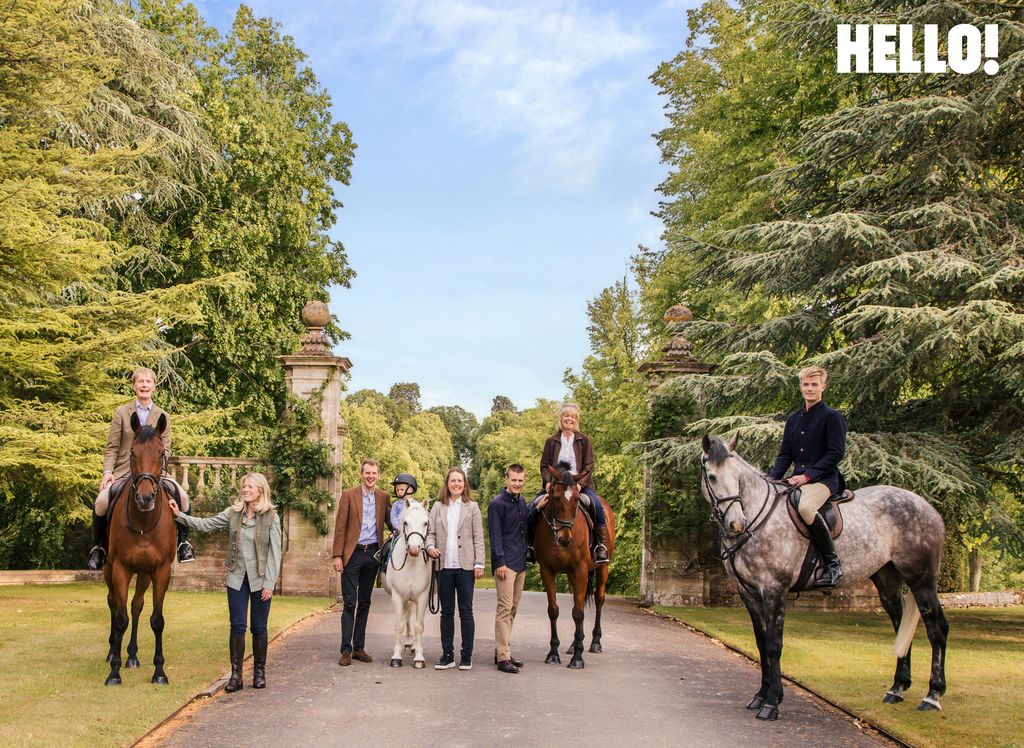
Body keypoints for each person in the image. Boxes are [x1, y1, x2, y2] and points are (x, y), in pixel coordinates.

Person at [169, 472, 281, 691]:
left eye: (250, 486)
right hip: (237, 578)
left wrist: (270, 583)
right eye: (244, 486)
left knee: (259, 627)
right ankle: (236, 676)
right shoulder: (233, 513)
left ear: (261, 490)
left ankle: (259, 673)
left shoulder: (271, 517)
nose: (246, 489)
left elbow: (274, 554)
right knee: (237, 625)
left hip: (260, 580)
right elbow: (205, 524)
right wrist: (179, 515)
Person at [87, 367, 195, 570]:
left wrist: (156, 467)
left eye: (148, 381)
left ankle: (183, 543)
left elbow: (167, 448)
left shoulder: (163, 415)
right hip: (124, 470)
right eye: (140, 381)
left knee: (184, 497)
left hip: (154, 472)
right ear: (134, 386)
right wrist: (108, 472)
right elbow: (112, 446)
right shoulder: (121, 412)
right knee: (101, 502)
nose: (144, 385)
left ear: (154, 386)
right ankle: (98, 548)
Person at [768, 365, 848, 588]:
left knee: (805, 508)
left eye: (814, 384)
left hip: (823, 480)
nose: (810, 388)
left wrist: (807, 477)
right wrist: (771, 481)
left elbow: (835, 453)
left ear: (823, 386)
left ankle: (833, 565)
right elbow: (785, 455)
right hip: (796, 480)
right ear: (800, 387)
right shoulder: (793, 420)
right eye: (806, 384)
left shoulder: (832, 417)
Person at [532, 402, 608, 564]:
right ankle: (529, 547)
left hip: (578, 484)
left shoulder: (584, 440)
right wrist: (547, 482)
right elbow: (545, 465)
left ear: (577, 420)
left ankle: (600, 546)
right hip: (556, 484)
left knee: (597, 506)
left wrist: (580, 483)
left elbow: (589, 466)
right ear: (561, 419)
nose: (569, 419)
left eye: (573, 417)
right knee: (532, 506)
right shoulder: (551, 441)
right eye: (566, 416)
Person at [332, 459, 391, 666]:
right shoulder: (349, 495)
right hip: (352, 555)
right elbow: (340, 527)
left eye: (374, 473)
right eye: (367, 473)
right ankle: (346, 650)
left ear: (378, 475)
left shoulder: (384, 497)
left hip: (373, 554)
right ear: (361, 474)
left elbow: (392, 522)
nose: (371, 476)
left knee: (365, 602)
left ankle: (359, 648)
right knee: (350, 602)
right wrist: (337, 555)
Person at [426, 467, 484, 671]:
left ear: (464, 484)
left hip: (466, 566)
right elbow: (430, 533)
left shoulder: (472, 507)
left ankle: (466, 655)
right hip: (444, 566)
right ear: (447, 483)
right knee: (446, 612)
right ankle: (447, 654)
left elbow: (478, 537)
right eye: (453, 481)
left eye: (460, 481)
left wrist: (479, 563)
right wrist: (430, 547)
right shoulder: (437, 507)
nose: (456, 484)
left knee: (466, 611)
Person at [488, 464, 529, 674]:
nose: (517, 484)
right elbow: (495, 535)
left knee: (513, 608)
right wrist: (500, 562)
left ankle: (503, 648)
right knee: (504, 608)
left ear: (524, 480)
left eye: (520, 480)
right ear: (507, 479)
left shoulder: (522, 502)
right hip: (506, 564)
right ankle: (503, 658)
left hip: (520, 563)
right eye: (513, 480)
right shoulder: (497, 504)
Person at [383, 472, 419, 568]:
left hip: (411, 531)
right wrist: (397, 526)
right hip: (398, 531)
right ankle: (385, 562)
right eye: (397, 489)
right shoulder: (396, 505)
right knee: (388, 545)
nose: (399, 491)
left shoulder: (416, 505)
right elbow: (393, 517)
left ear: (410, 489)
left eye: (401, 489)